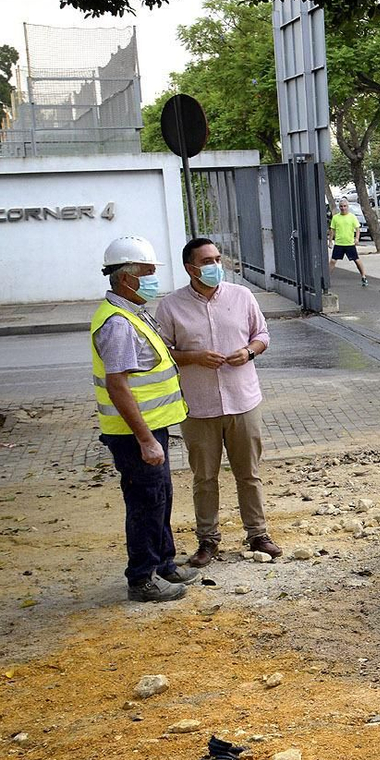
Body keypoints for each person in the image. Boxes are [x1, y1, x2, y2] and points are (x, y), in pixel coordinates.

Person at [155, 238, 281, 567]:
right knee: (204, 478)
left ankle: (258, 533)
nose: (215, 265)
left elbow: (263, 334)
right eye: (207, 261)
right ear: (190, 268)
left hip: (243, 401)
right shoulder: (170, 306)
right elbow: (162, 353)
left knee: (249, 474)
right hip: (199, 407)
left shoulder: (242, 296)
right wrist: (193, 357)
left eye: (217, 259)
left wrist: (250, 351)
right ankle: (207, 541)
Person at [91, 236, 197, 602]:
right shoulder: (118, 323)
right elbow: (118, 385)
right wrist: (146, 440)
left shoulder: (133, 312)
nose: (154, 280)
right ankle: (142, 578)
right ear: (126, 279)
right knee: (145, 502)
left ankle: (164, 564)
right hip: (135, 433)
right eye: (148, 273)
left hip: (151, 427)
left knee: (160, 497)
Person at [328, 198, 368, 287]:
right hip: (339, 243)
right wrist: (330, 241)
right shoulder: (336, 217)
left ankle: (363, 276)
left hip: (349, 244)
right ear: (339, 207)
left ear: (347, 207)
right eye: (341, 206)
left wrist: (357, 239)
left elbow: (357, 229)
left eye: (345, 206)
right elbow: (332, 230)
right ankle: (327, 279)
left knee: (356, 260)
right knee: (333, 261)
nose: (343, 208)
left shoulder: (352, 217)